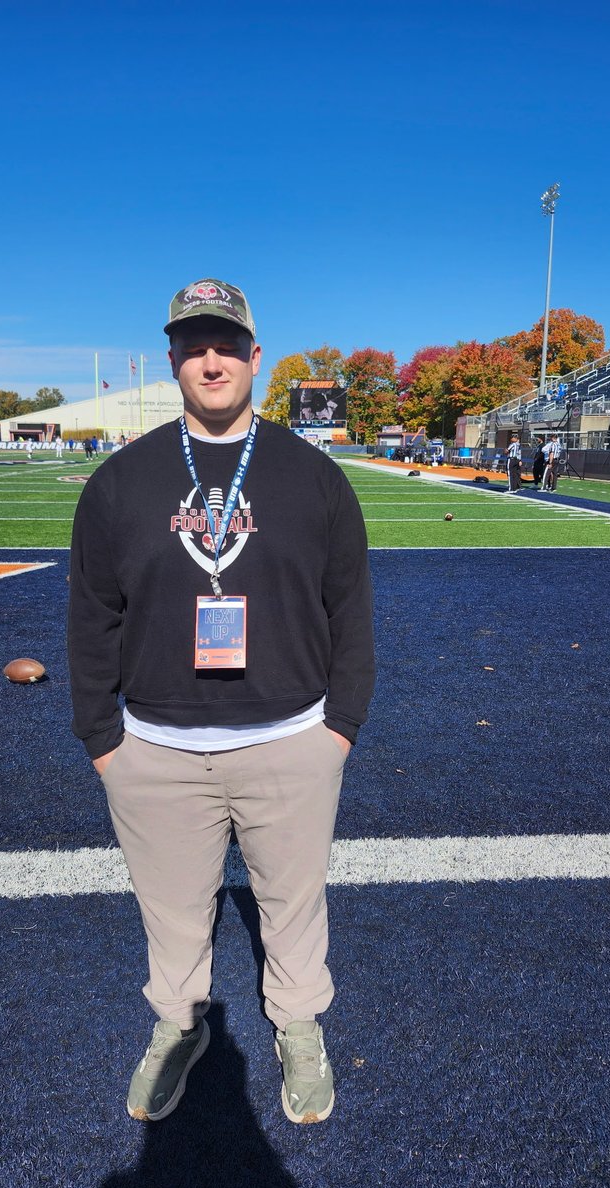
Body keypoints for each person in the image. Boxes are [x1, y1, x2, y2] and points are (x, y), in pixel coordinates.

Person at [68, 278, 375, 1127]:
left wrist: (338, 727)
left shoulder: (313, 478)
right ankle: (178, 1025)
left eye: (226, 344)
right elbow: (91, 616)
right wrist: (103, 738)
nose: (212, 360)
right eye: (194, 345)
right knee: (171, 909)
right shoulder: (122, 481)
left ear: (255, 358)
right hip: (155, 750)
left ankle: (299, 1022)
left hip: (291, 740)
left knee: (292, 900)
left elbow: (350, 609)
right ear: (173, 359)